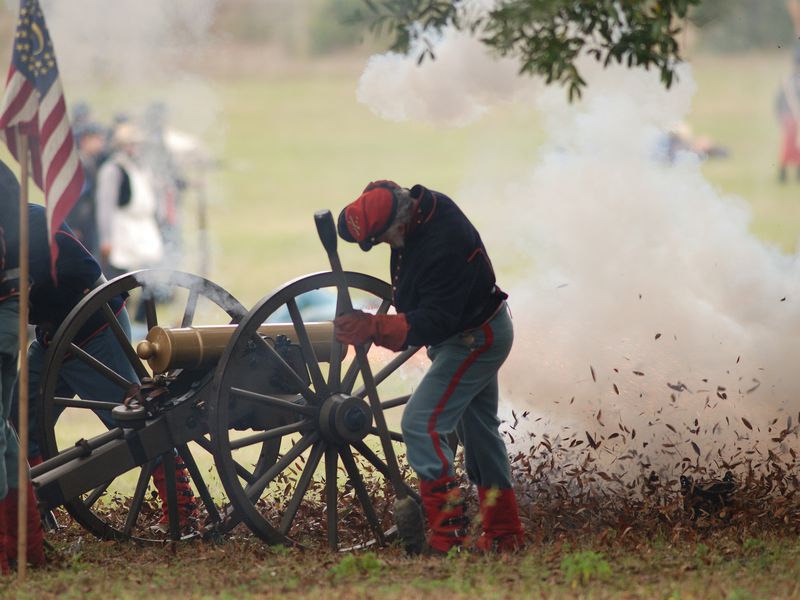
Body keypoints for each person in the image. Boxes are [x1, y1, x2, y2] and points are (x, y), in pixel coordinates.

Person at [0, 159, 196, 534]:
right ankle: (37, 504)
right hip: (51, 338)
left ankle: (181, 507)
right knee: (19, 419)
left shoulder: (37, 223)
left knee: (137, 421)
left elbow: (88, 276)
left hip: (94, 331)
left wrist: (29, 286)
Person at [334, 180, 525, 553]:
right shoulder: (412, 207)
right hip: (470, 331)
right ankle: (505, 534)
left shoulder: (444, 244)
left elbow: (435, 322)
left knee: (420, 423)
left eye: (387, 239)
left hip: (474, 339)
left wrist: (373, 326)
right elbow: (358, 215)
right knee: (480, 435)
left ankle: (446, 536)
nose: (388, 247)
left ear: (401, 226)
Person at [0, 163, 45, 572]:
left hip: (1, 317)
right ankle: (25, 547)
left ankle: (8, 550)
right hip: (10, 316)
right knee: (4, 432)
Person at [95, 122, 164, 279]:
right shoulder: (113, 169)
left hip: (144, 224)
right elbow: (105, 205)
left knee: (151, 269)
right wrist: (106, 238)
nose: (134, 148)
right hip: (122, 224)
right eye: (129, 144)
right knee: (119, 271)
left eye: (136, 144)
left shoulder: (142, 166)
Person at [775, 45, 800, 182]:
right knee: (788, 147)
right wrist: (781, 118)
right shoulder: (788, 81)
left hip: (796, 118)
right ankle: (782, 174)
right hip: (790, 118)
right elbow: (779, 102)